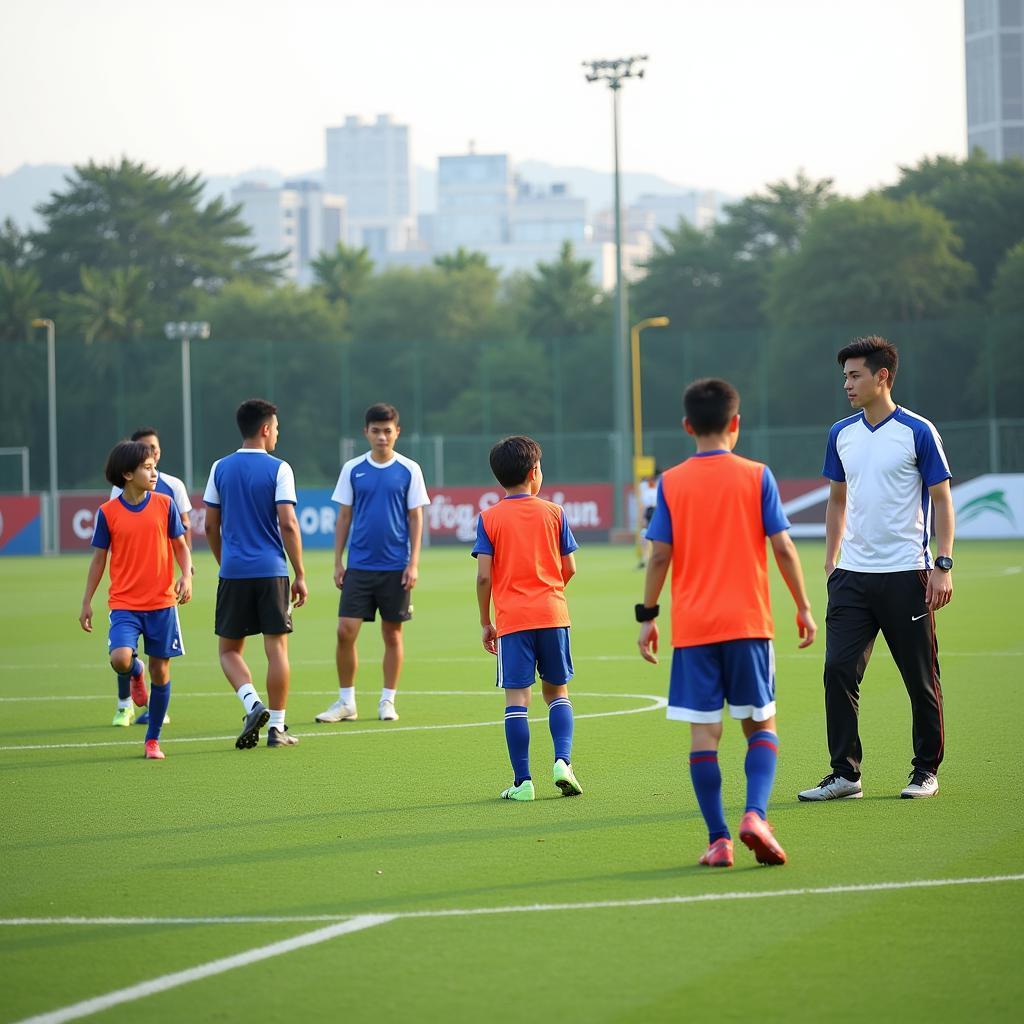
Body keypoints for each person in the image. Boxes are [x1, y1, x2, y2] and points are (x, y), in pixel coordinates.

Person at [636, 378, 817, 867]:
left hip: (694, 630)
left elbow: (658, 558)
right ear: (736, 423)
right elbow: (782, 546)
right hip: (749, 625)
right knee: (761, 725)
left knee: (704, 735)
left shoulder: (670, 482)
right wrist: (802, 604)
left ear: (687, 426)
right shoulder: (757, 475)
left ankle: (719, 840)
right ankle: (755, 814)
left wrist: (648, 616)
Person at [798, 336, 954, 802]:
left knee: (920, 678)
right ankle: (845, 774)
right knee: (838, 671)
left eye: (854, 375)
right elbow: (836, 500)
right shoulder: (840, 433)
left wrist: (943, 565)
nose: (846, 383)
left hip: (908, 574)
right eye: (845, 375)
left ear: (881, 376)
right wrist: (831, 558)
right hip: (852, 578)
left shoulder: (918, 431)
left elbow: (943, 501)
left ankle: (925, 770)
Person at [472, 435, 582, 802]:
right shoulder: (555, 513)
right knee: (557, 693)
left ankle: (523, 783)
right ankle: (563, 762)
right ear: (535, 472)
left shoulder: (488, 518)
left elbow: (484, 575)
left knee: (517, 699)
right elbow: (570, 567)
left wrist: (486, 620)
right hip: (553, 614)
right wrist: (550, 590)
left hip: (513, 621)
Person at [203, 398, 307, 750]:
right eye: (276, 427)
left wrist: (225, 561)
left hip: (233, 572)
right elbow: (288, 524)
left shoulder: (219, 467)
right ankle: (277, 728)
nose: (278, 433)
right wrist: (301, 573)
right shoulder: (280, 469)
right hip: (272, 571)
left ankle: (251, 703)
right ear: (265, 429)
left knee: (229, 651)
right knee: (276, 649)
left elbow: (209, 525)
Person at [316, 403, 430, 724]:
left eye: (387, 431)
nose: (382, 437)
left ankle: (387, 700)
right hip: (360, 566)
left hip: (396, 566)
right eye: (376, 431)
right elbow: (344, 517)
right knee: (345, 631)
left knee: (392, 635)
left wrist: (414, 563)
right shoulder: (353, 469)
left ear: (397, 432)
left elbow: (415, 517)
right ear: (366, 432)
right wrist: (338, 561)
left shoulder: (409, 469)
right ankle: (346, 701)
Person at [80, 440, 192, 759]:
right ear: (127, 474)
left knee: (162, 671)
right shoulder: (108, 513)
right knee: (120, 659)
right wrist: (87, 600)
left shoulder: (165, 505)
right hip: (125, 604)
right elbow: (99, 559)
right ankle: (135, 671)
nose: (154, 472)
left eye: (154, 466)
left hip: (162, 603)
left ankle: (152, 740)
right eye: (147, 467)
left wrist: (186, 575)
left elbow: (181, 546)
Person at [109, 426, 192, 728]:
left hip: (161, 591)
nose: (152, 455)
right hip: (127, 594)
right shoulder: (115, 500)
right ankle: (124, 704)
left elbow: (181, 534)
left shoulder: (171, 489)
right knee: (121, 655)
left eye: (154, 449)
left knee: (161, 664)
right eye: (145, 451)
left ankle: (155, 727)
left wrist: (187, 572)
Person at [637, 471, 659, 568]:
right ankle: (650, 556)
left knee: (644, 535)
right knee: (654, 537)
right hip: (654, 513)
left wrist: (641, 518)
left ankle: (646, 557)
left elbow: (643, 506)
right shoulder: (656, 490)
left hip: (649, 513)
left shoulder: (646, 492)